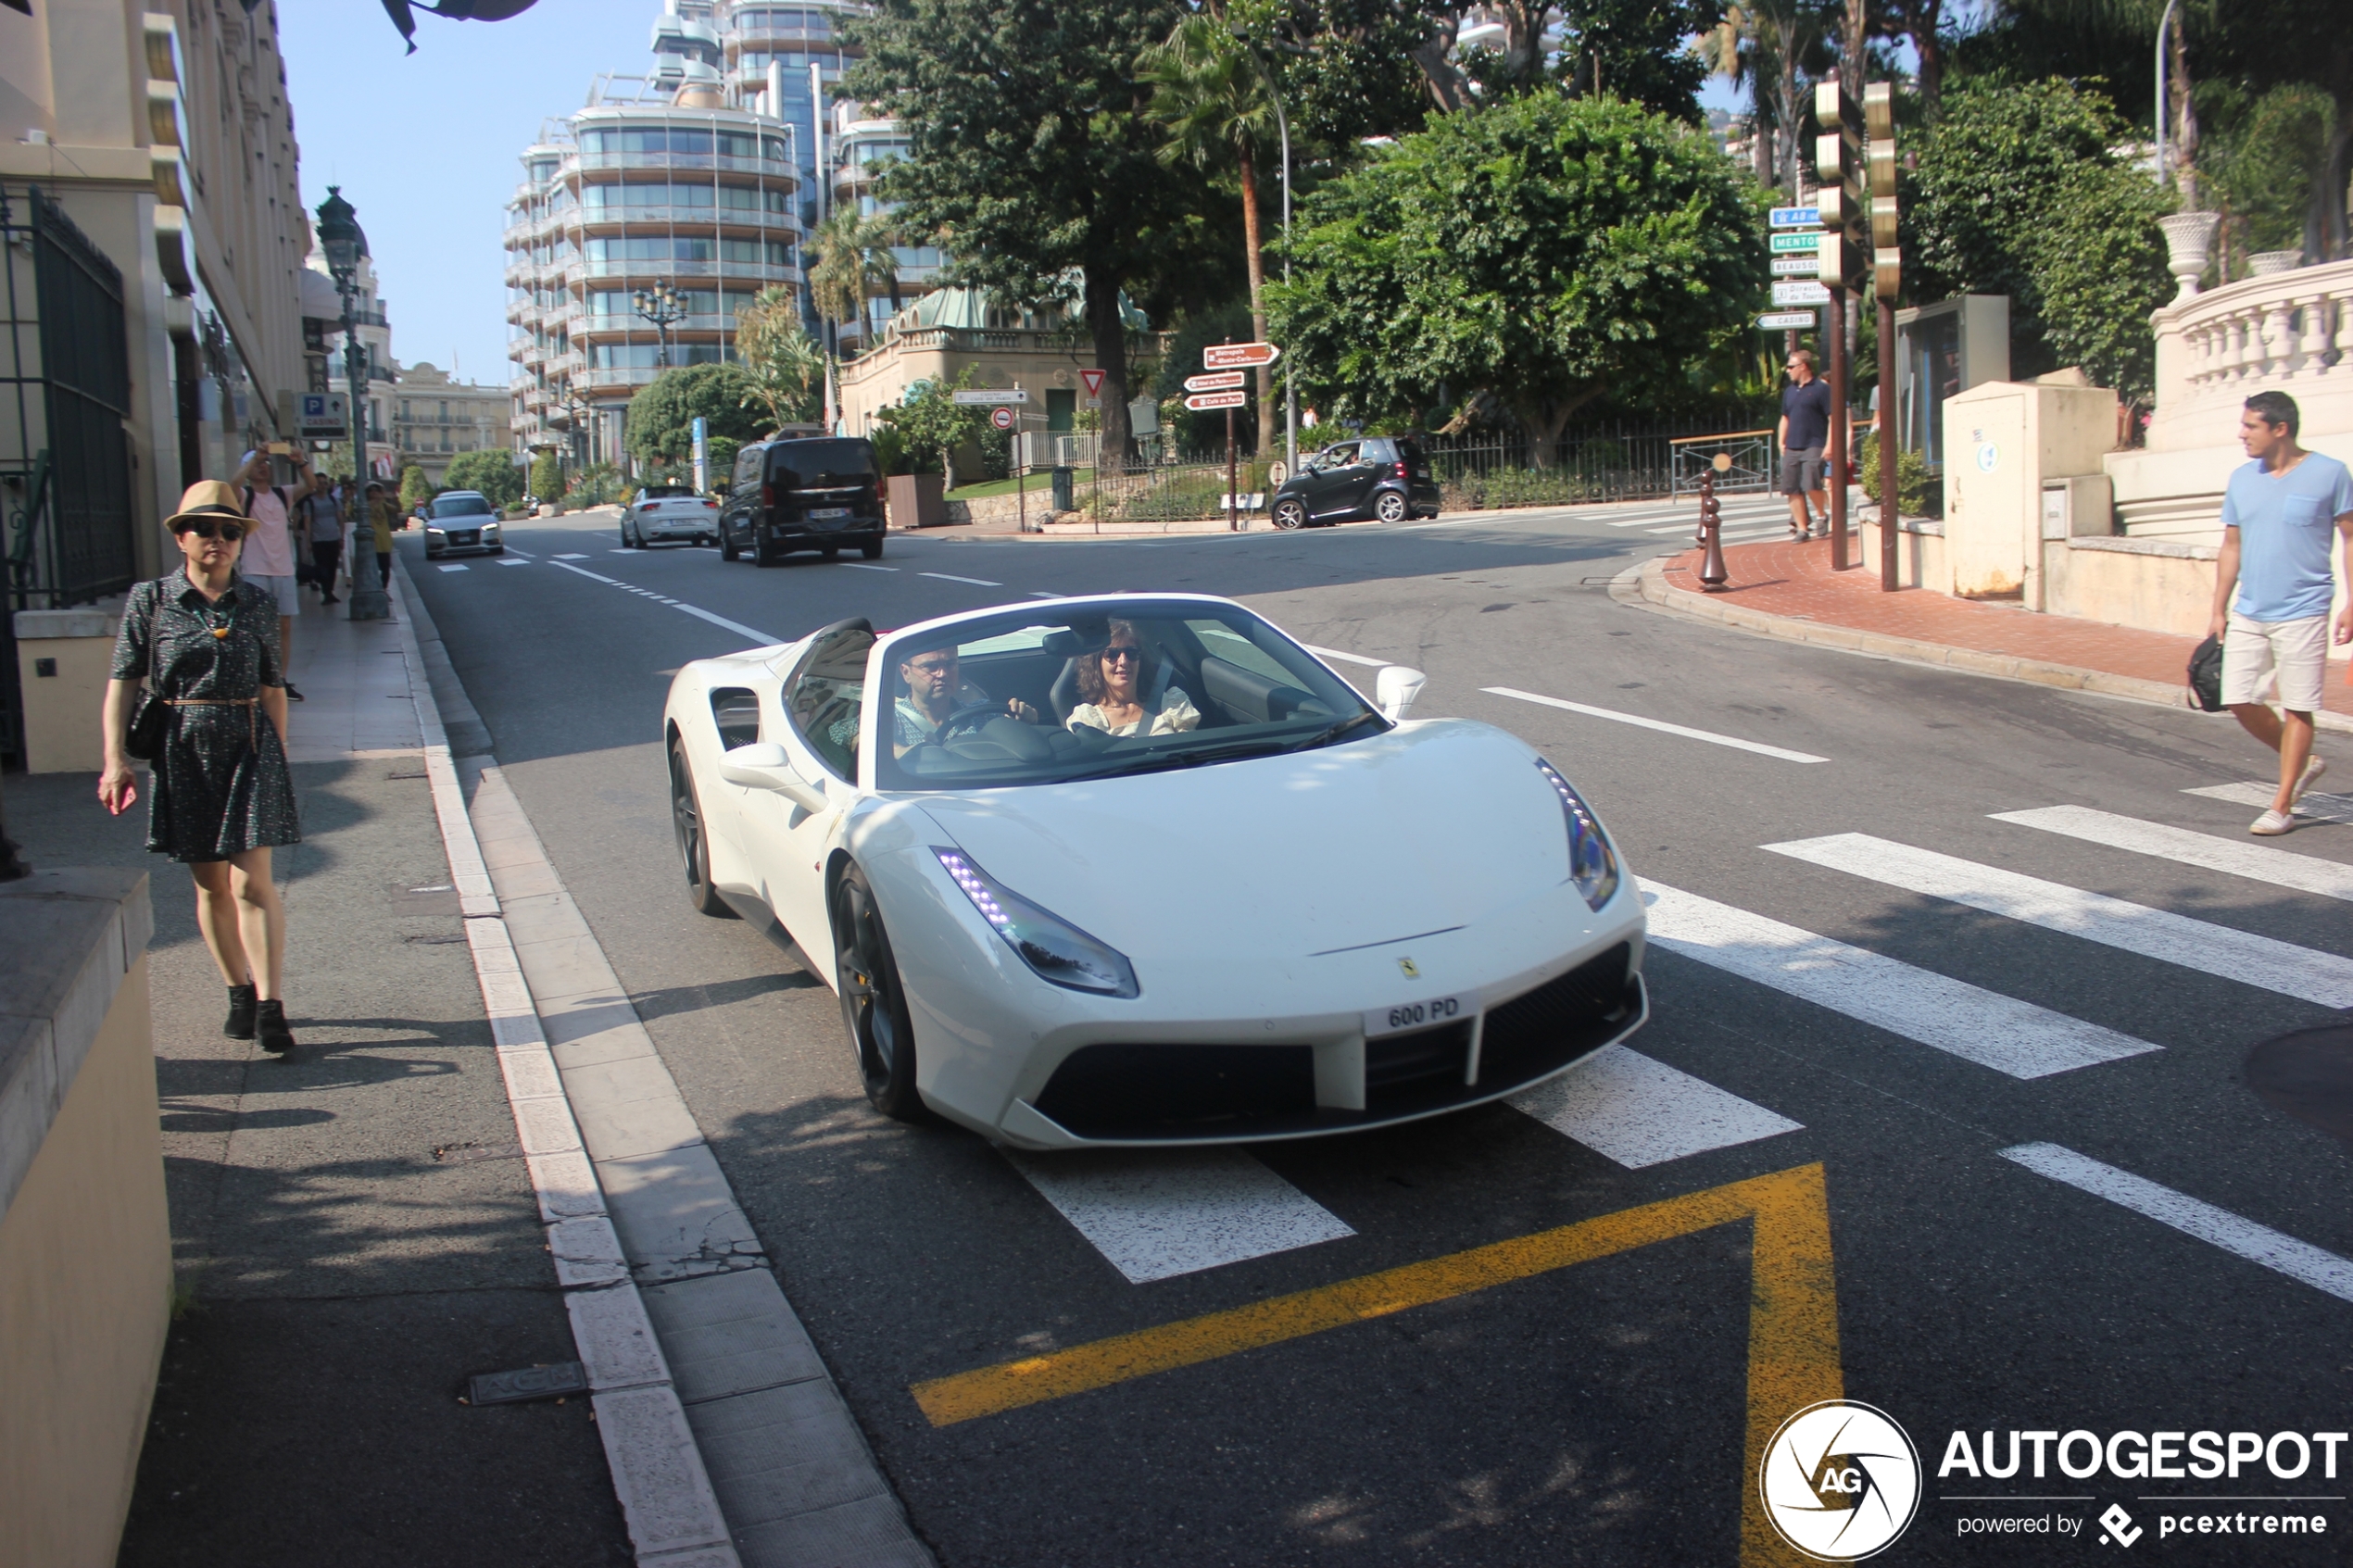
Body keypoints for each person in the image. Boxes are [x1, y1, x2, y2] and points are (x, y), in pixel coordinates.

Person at [98, 481, 302, 1053]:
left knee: (251, 882)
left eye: (230, 530)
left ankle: (270, 1006)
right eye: (205, 529)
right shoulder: (151, 601)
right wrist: (115, 760)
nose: (218, 539)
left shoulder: (257, 604)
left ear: (241, 540)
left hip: (247, 744)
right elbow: (123, 684)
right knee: (211, 884)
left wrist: (277, 754)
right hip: (181, 748)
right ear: (182, 537)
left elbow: (273, 687)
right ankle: (237, 991)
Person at [2207, 390, 2353, 835]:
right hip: (2250, 608)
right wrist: (2218, 608)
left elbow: (2350, 537)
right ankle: (2303, 760)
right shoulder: (2241, 479)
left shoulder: (2330, 474)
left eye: (2250, 425)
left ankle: (2283, 804)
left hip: (2306, 608)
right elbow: (2231, 546)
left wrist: (2352, 602)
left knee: (2298, 707)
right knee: (2238, 697)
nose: (2242, 433)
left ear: (2280, 429)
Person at [233, 446, 325, 700]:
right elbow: (231, 486)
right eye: (258, 464)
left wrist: (300, 461)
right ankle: (255, 679)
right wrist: (253, 459)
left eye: (266, 463)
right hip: (255, 570)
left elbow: (310, 483)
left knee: (284, 627)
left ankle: (279, 681)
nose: (264, 466)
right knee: (255, 628)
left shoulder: (281, 494)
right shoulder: (244, 495)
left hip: (283, 570)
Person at [893, 640, 1038, 756]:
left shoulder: (985, 715)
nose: (943, 673)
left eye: (950, 664)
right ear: (906, 673)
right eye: (931, 666)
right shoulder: (890, 721)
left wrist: (1025, 719)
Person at [1066, 622, 1200, 737]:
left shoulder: (1172, 704)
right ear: (1097, 664)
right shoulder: (1088, 720)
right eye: (1112, 654)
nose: (1123, 661)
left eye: (1131, 652)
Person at [1777, 348, 1832, 541]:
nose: (1788, 370)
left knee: (1811, 483)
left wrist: (1830, 444)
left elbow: (1833, 418)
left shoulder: (1822, 389)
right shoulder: (1790, 391)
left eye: (1791, 366)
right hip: (1793, 444)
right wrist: (1780, 441)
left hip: (1814, 443)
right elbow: (1785, 417)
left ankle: (1821, 515)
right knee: (1791, 488)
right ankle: (1802, 529)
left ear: (1803, 366)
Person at [306, 478, 345, 605]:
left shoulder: (334, 500)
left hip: (333, 538)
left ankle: (330, 591)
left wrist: (341, 537)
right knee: (322, 567)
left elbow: (340, 519)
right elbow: (307, 522)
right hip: (318, 540)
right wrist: (308, 540)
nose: (322, 486)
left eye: (324, 483)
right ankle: (326, 591)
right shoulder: (310, 502)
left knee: (333, 566)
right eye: (319, 483)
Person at [365, 482, 397, 589]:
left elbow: (396, 509)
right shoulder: (365, 506)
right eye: (371, 490)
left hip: (384, 542)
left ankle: (383, 589)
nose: (374, 492)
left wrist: (388, 497)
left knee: (386, 569)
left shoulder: (383, 504)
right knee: (372, 569)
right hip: (372, 542)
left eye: (376, 490)